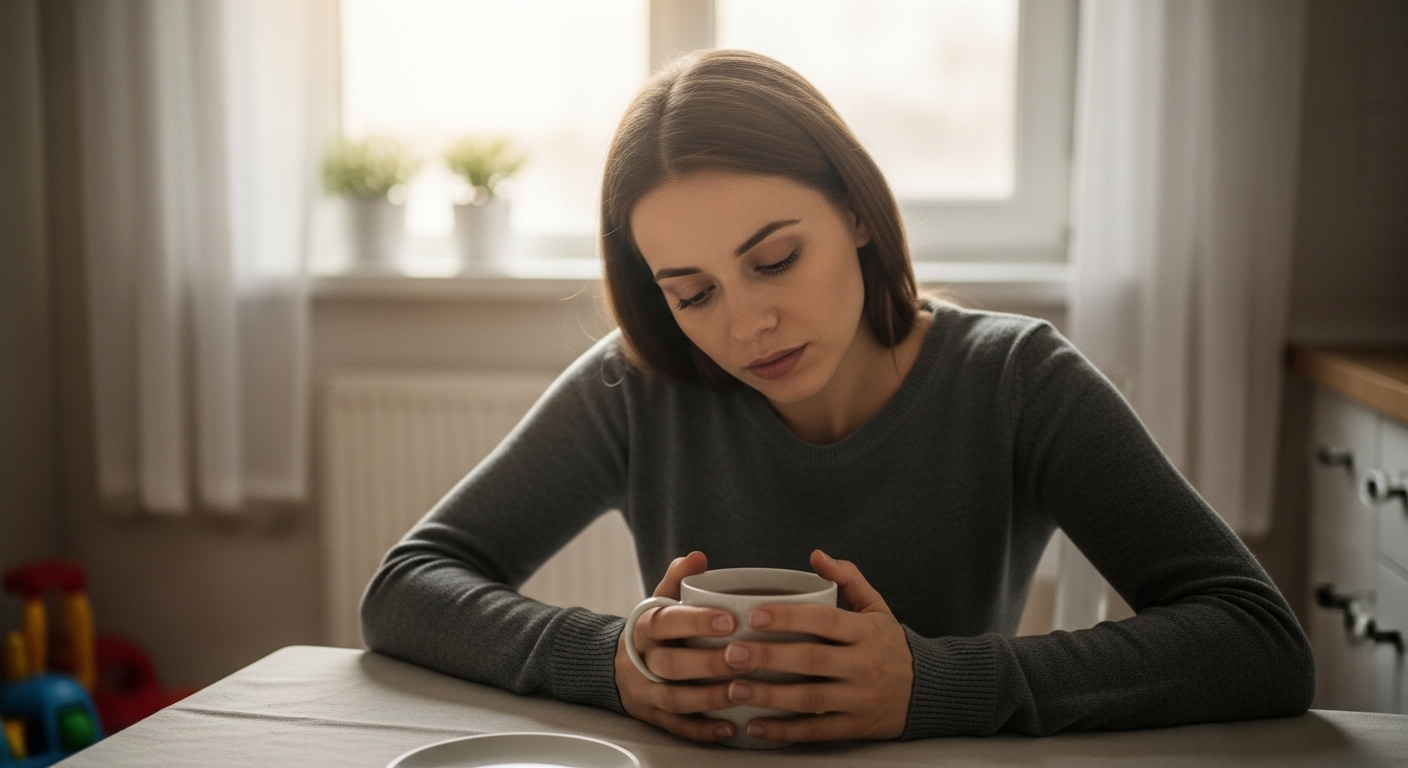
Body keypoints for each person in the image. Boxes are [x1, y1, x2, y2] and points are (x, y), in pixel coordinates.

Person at [360, 49, 1314, 745]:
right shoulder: (636, 387)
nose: (746, 327)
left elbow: (1259, 642)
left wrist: (933, 684)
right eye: (693, 294)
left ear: (856, 211)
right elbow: (408, 587)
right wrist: (611, 661)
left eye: (776, 260)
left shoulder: (1016, 380)